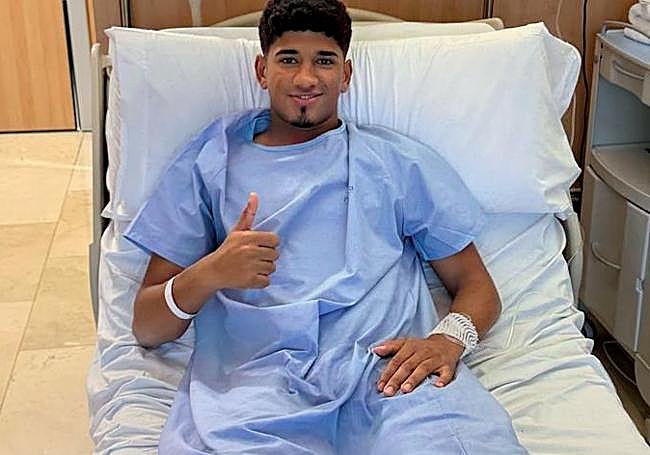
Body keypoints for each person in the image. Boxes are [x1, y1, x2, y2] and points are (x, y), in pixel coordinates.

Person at [124, 0, 527, 453]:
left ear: (346, 75)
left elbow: (476, 284)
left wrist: (447, 340)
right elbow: (148, 327)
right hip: (257, 386)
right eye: (288, 59)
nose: (306, 79)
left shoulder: (396, 162)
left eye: (324, 61)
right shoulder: (214, 159)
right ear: (261, 70)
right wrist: (210, 273)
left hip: (390, 377)